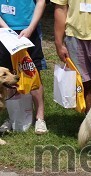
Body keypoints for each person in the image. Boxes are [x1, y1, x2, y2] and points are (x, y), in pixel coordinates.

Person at [0, 0, 47, 135]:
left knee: (33, 72)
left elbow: (41, 2)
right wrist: (5, 28)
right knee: (6, 74)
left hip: (28, 29)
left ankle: (40, 118)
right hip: (4, 30)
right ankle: (12, 116)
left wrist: (31, 28)